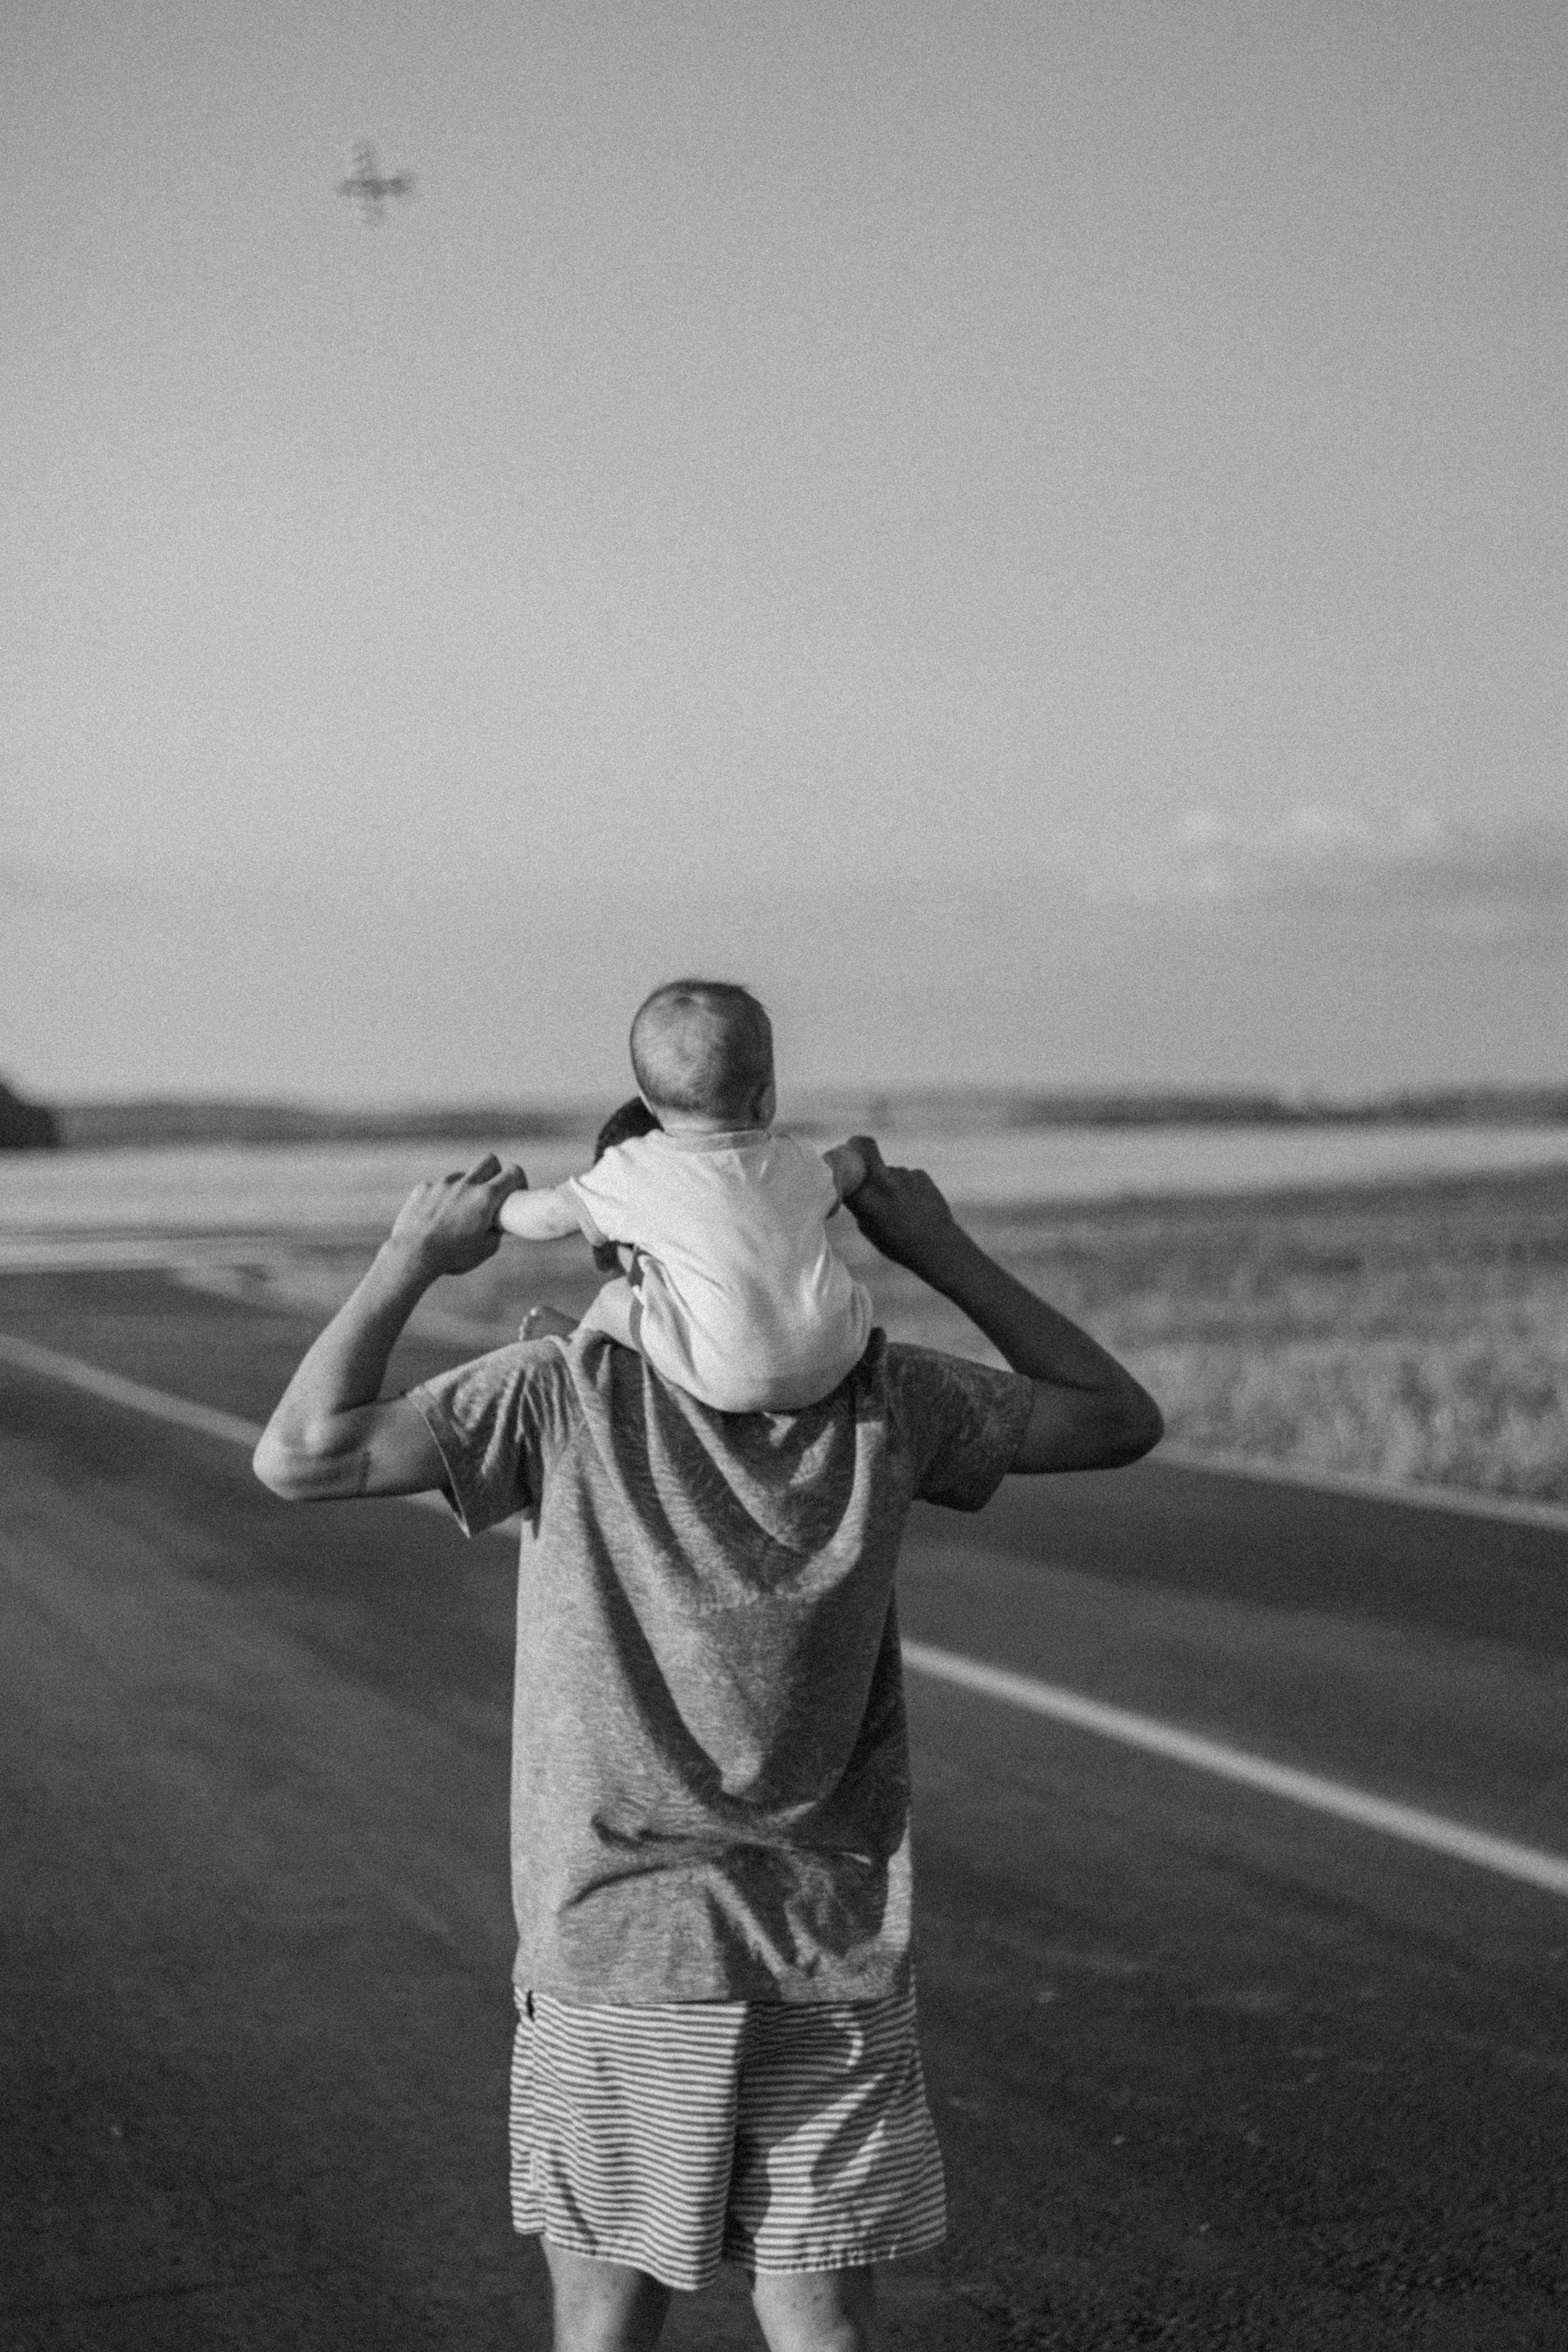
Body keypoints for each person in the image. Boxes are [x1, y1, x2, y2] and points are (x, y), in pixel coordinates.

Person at [253, 1123, 1162, 2352]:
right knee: (824, 2325)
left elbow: (302, 1455)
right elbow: (1114, 1417)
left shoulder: (556, 1395)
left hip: (624, 1943)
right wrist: (941, 1249)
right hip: (826, 1944)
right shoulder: (888, 1399)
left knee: (610, 2324)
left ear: (611, 1242)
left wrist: (409, 1258)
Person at [497, 979, 873, 1412]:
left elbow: (547, 1218)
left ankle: (581, 1346)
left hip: (730, 1377)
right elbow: (842, 1174)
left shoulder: (638, 1169)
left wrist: (497, 1209)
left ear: (648, 1103)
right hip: (840, 1353)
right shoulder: (796, 1160)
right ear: (767, 1099)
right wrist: (859, 1157)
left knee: (616, 1298)